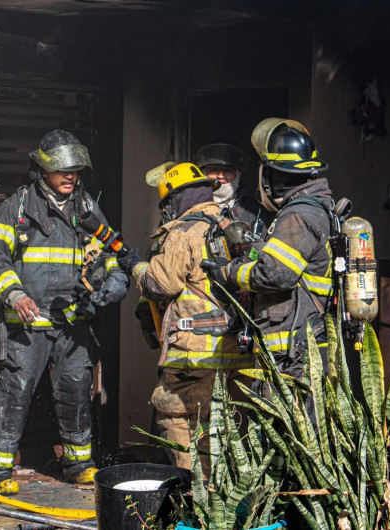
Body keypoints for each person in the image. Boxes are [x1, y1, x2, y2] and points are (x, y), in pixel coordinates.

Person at [0, 129, 129, 493]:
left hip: (72, 324)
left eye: (75, 170)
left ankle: (78, 465)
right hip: (25, 326)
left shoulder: (87, 207)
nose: (70, 177)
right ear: (42, 170)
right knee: (13, 393)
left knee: (76, 392)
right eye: (63, 170)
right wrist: (16, 296)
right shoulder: (17, 207)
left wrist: (113, 282)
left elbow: (110, 254)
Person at [117, 162, 254, 473]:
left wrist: (136, 265)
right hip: (237, 351)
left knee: (177, 417)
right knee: (229, 426)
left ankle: (196, 497)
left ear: (174, 201)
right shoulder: (230, 223)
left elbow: (160, 285)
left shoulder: (184, 231)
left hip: (196, 353)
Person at [210, 119, 335, 378]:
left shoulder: (299, 215)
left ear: (272, 174)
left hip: (294, 360)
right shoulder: (306, 211)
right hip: (293, 354)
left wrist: (227, 273)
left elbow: (274, 273)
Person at [193, 142, 267, 232]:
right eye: (214, 170)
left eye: (228, 171)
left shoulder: (255, 212)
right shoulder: (193, 208)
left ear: (238, 175)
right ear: (204, 174)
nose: (220, 176)